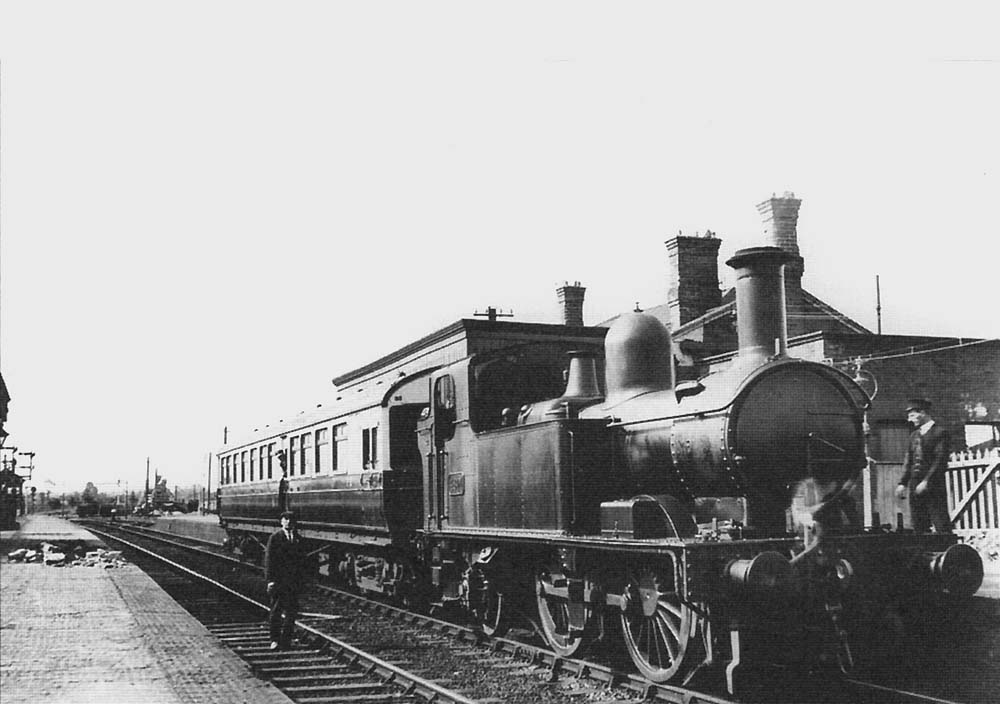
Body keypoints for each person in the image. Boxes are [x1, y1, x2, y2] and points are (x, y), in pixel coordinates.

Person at [895, 398, 952, 533]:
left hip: (933, 483)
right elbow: (908, 460)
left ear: (923, 413)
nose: (910, 419)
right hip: (915, 482)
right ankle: (923, 551)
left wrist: (927, 481)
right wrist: (902, 483)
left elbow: (940, 460)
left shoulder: (940, 432)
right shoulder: (914, 435)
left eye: (912, 415)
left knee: (939, 518)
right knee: (918, 519)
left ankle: (946, 549)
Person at [265, 510, 307, 649]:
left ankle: (286, 640)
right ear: (281, 521)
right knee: (276, 611)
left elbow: (302, 562)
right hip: (279, 582)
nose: (288, 522)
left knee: (291, 613)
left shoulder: (299, 539)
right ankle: (274, 640)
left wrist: (303, 581)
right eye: (285, 519)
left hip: (293, 583)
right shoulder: (275, 538)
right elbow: (269, 561)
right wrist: (270, 580)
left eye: (290, 519)